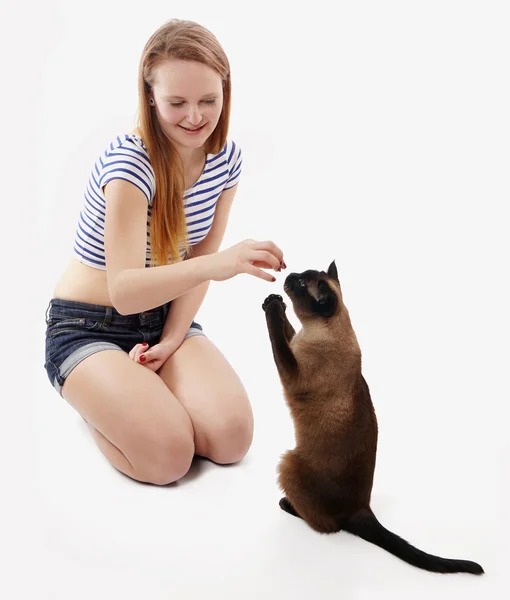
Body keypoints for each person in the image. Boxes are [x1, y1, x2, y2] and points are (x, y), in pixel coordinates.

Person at [43, 19, 286, 485]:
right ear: (150, 96)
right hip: (86, 325)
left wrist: (172, 339)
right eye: (177, 102)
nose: (195, 116)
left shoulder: (226, 159)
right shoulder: (129, 166)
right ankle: (97, 402)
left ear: (225, 92)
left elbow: (196, 265)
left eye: (208, 101)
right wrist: (221, 264)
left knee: (231, 439)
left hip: (161, 318)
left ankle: (134, 395)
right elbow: (126, 291)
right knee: (170, 458)